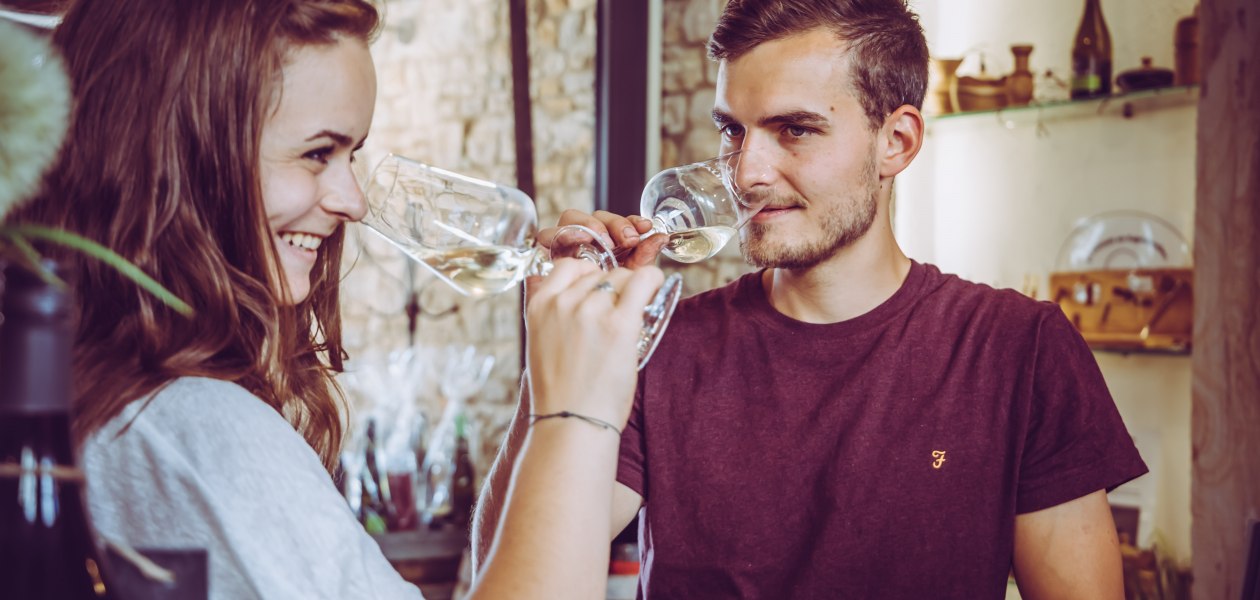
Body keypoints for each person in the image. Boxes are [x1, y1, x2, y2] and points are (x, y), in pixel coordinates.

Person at [473, 1, 1149, 598]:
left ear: (897, 142)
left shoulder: (1016, 349)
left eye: (794, 129)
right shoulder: (662, 344)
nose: (747, 173)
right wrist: (559, 352)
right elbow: (503, 574)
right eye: (733, 130)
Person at [6, 0, 662, 598]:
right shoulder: (195, 426)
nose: (352, 200)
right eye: (318, 153)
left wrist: (549, 391)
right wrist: (576, 417)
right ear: (182, 157)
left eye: (352, 155)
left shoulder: (96, 399)